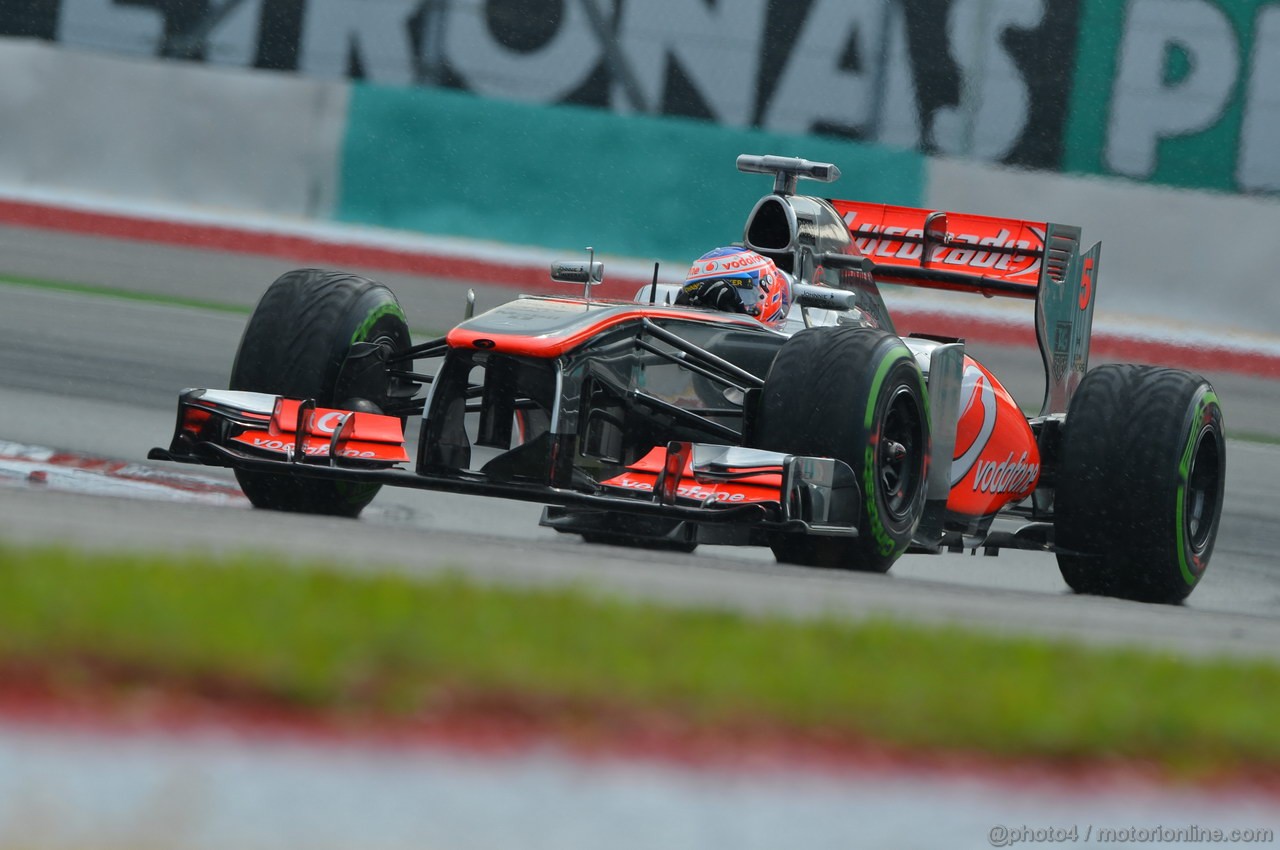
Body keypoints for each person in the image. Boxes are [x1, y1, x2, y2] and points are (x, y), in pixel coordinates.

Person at [676, 246, 792, 330]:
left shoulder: (787, 349)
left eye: (737, 291)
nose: (714, 302)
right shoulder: (668, 333)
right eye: (697, 292)